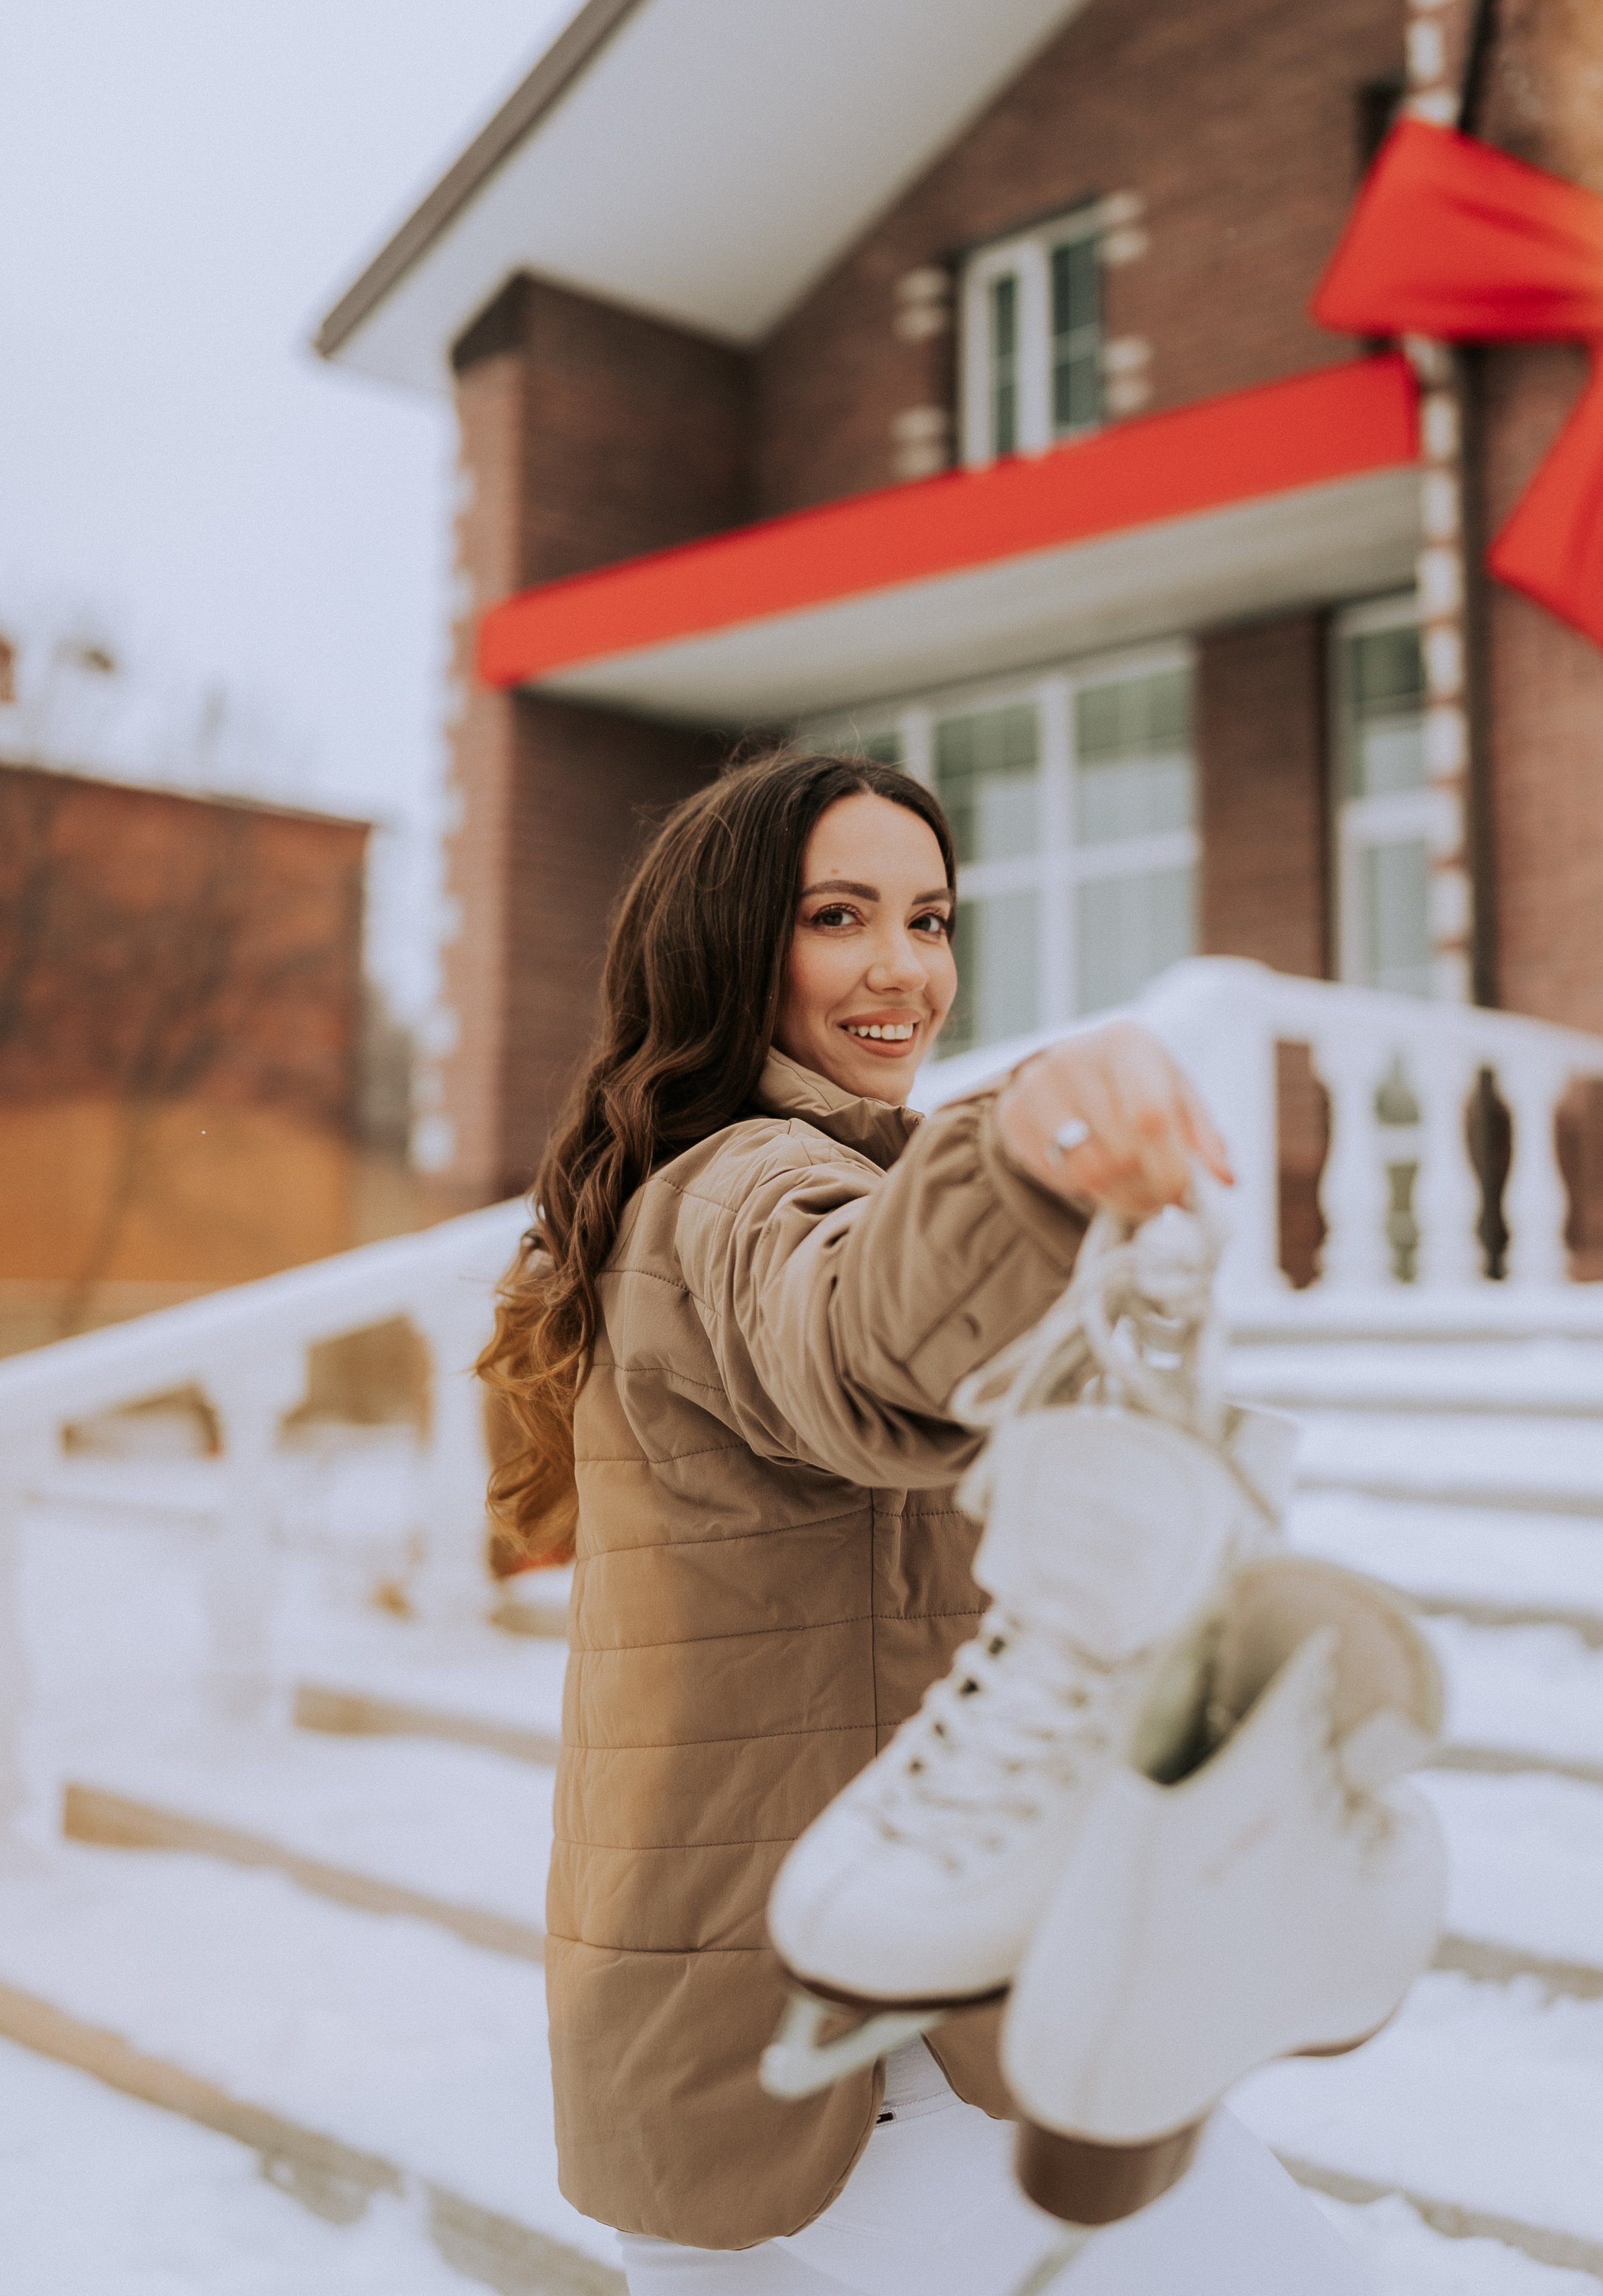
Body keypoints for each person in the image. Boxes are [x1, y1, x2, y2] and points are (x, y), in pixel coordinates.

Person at [480, 749, 1366, 2294]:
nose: (903, 970)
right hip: (858, 2075)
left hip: (735, 2066)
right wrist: (1023, 1154)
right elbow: (857, 1336)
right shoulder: (735, 1194)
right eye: (838, 916)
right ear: (731, 946)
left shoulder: (718, 1189)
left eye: (931, 918)